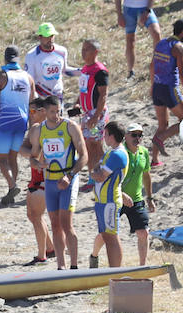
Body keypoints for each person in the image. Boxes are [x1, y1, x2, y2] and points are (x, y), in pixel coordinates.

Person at [26, 95, 86, 269]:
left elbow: (84, 156)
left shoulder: (70, 127)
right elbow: (32, 157)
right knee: (55, 224)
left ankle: (74, 266)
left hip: (67, 179)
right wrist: (38, 163)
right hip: (50, 180)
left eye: (58, 111)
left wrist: (70, 176)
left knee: (67, 223)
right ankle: (61, 265)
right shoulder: (39, 130)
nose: (56, 115)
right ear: (45, 112)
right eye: (52, 112)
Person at [0, 46, 35, 205]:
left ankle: (12, 185)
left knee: (1, 159)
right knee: (13, 157)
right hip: (22, 121)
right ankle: (11, 191)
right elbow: (32, 104)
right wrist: (33, 125)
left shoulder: (1, 76)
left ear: (5, 58)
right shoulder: (28, 77)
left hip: (6, 121)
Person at [149, 18, 183, 167]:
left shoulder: (161, 43)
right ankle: (160, 139)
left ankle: (154, 160)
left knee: (162, 125)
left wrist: (152, 86)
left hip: (157, 88)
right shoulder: (179, 47)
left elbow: (152, 66)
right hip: (169, 89)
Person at [18, 97, 55, 264]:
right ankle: (49, 248)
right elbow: (22, 148)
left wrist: (35, 156)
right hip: (36, 176)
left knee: (37, 215)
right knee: (32, 215)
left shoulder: (50, 129)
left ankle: (42, 255)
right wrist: (33, 155)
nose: (30, 114)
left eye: (32, 111)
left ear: (42, 111)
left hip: (45, 177)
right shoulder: (34, 129)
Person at [90, 120, 129, 268]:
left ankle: (115, 272)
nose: (104, 137)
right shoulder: (111, 152)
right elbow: (97, 168)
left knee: (112, 238)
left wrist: (93, 174)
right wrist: (95, 172)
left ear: (111, 136)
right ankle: (112, 271)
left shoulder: (117, 154)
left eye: (105, 134)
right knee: (106, 236)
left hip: (110, 201)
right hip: (103, 201)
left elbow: (100, 175)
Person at [77, 40, 110, 189]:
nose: (83, 52)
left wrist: (96, 116)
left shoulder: (100, 71)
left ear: (95, 52)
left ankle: (101, 176)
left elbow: (103, 95)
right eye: (82, 49)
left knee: (96, 145)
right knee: (89, 145)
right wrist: (77, 103)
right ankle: (93, 177)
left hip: (97, 113)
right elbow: (83, 90)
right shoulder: (85, 69)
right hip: (86, 113)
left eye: (86, 50)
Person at [119, 124, 154, 265]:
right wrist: (121, 194)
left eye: (140, 135)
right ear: (125, 136)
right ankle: (94, 255)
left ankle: (142, 266)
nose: (137, 138)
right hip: (117, 198)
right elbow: (109, 179)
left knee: (143, 233)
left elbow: (146, 175)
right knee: (106, 234)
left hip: (136, 200)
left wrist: (150, 198)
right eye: (134, 135)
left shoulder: (144, 152)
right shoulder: (120, 153)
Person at [24, 22, 76, 102]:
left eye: (52, 36)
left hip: (57, 96)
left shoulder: (62, 51)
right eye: (47, 36)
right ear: (40, 37)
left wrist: (83, 71)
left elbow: (65, 70)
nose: (50, 39)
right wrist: (35, 99)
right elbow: (29, 81)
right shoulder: (31, 55)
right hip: (40, 97)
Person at [116, 0, 162, 78]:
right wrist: (119, 14)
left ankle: (156, 66)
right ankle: (131, 72)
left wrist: (147, 11)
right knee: (130, 40)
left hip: (145, 8)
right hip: (129, 10)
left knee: (156, 34)